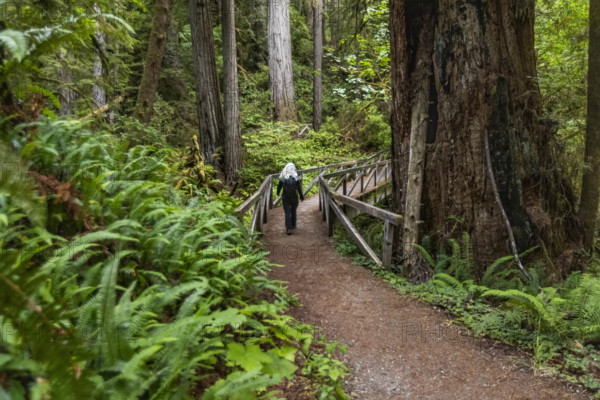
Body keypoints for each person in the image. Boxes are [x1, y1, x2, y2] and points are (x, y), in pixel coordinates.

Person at [277, 162, 304, 235]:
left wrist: (278, 193)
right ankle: (293, 224)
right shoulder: (295, 176)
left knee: (287, 212)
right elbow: (298, 188)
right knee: (293, 210)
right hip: (294, 197)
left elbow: (279, 186)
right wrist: (301, 196)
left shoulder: (283, 175)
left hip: (285, 196)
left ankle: (288, 228)